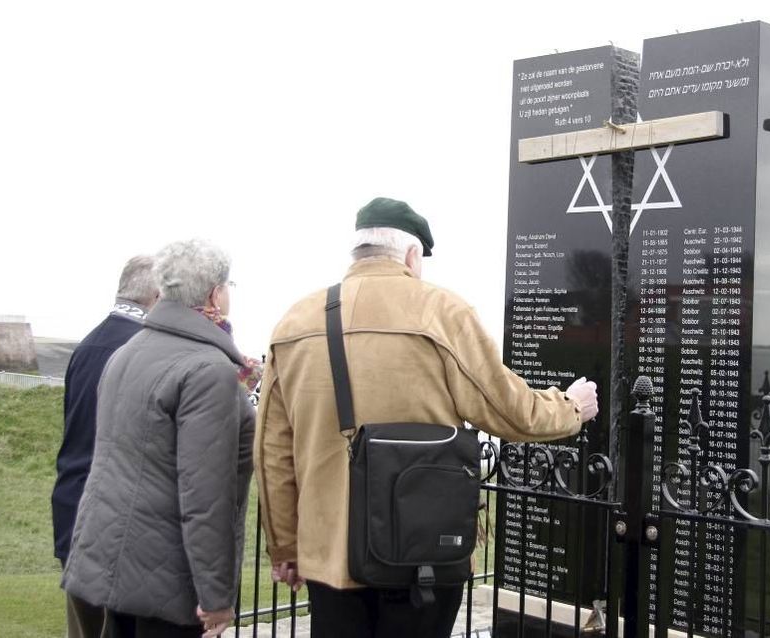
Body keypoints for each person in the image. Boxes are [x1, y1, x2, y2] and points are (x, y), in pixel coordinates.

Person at [254, 197, 599, 638]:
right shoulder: (442, 313)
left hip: (330, 554)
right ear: (413, 255)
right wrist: (570, 407)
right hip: (423, 555)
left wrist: (285, 544)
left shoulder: (294, 323)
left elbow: (273, 450)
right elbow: (508, 410)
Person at [62, 240, 260, 638]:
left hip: (112, 564)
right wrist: (216, 595)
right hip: (169, 583)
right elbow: (206, 495)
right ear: (214, 294)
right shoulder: (208, 370)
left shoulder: (128, 351)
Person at [51, 255, 158, 638]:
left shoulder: (90, 344)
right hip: (111, 525)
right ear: (157, 294)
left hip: (72, 509)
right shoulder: (138, 350)